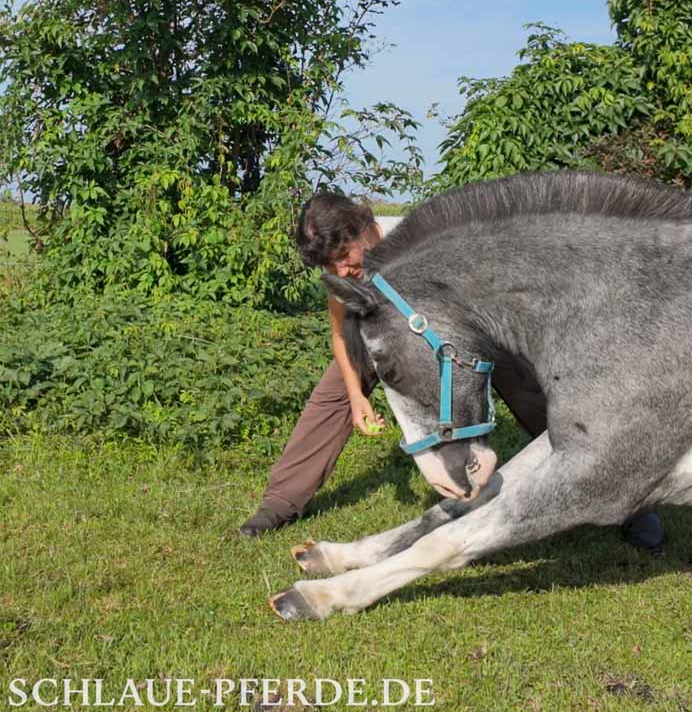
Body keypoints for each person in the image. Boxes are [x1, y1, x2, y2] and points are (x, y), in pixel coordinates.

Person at [239, 191, 665, 552]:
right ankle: (279, 503)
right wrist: (356, 398)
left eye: (343, 260)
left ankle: (628, 500)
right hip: (386, 338)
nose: (340, 273)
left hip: (469, 331)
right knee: (332, 395)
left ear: (362, 228)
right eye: (329, 269)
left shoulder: (424, 240)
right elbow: (340, 332)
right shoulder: (345, 274)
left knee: (536, 395)